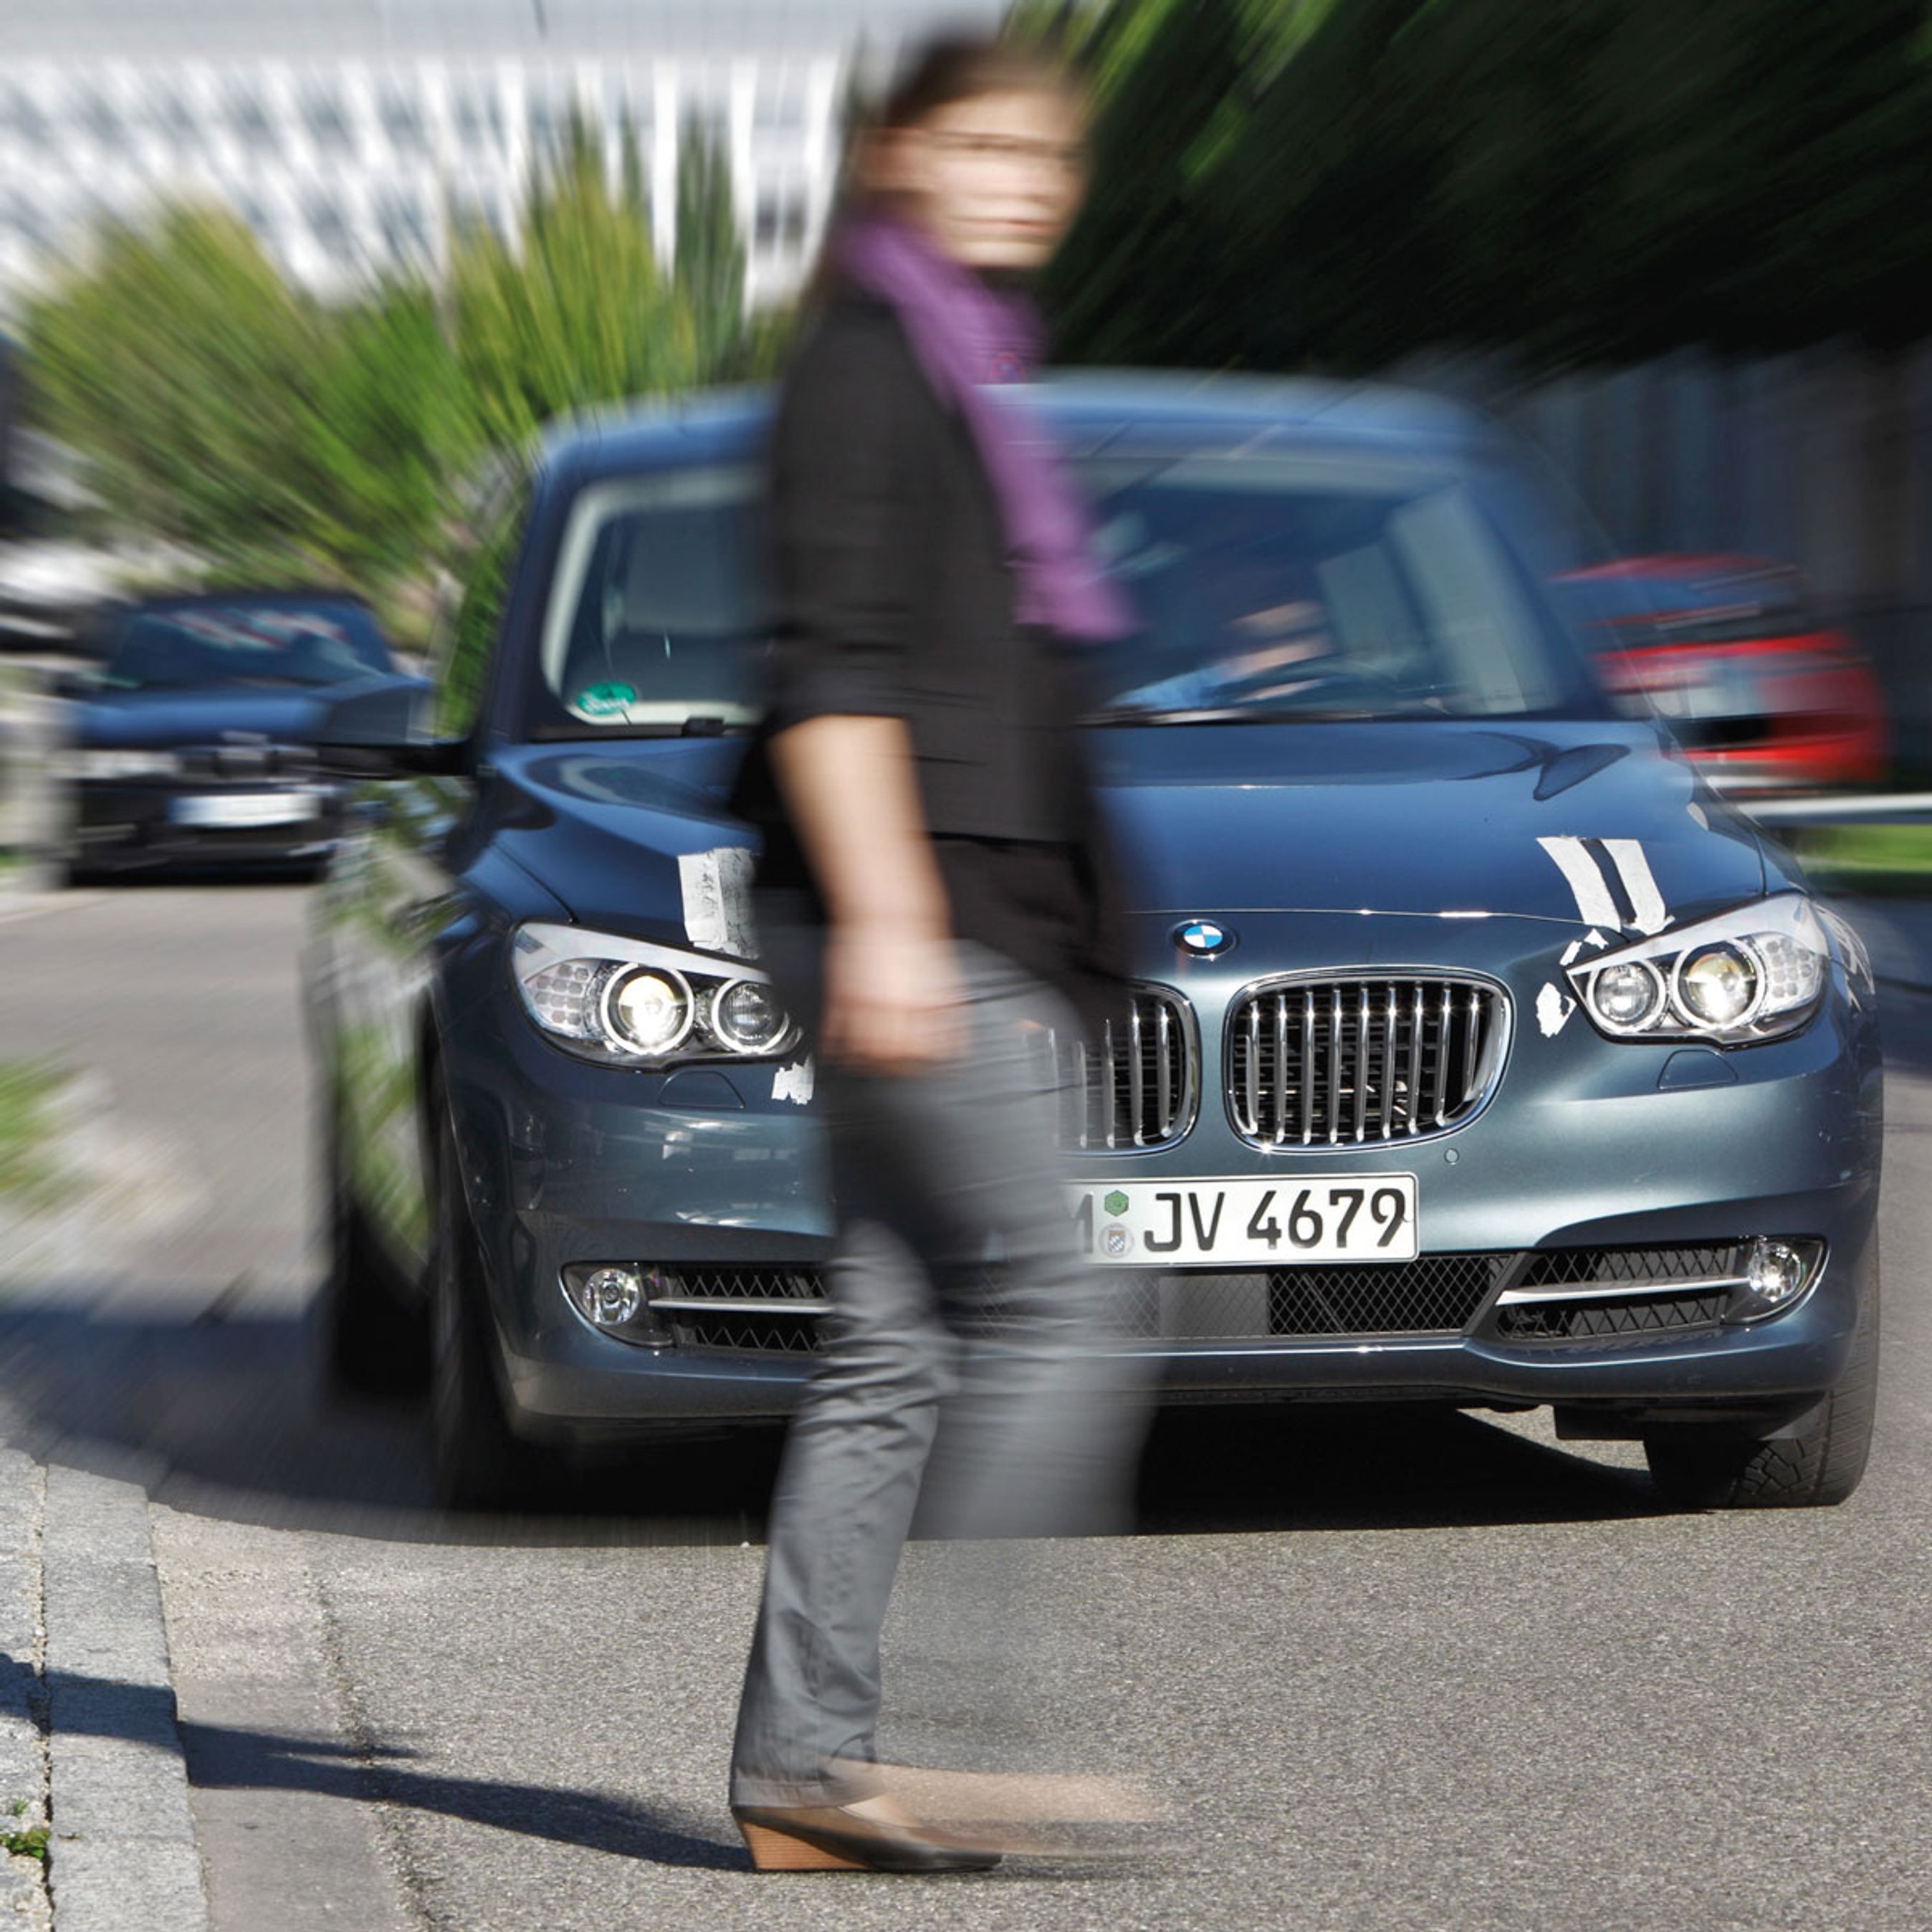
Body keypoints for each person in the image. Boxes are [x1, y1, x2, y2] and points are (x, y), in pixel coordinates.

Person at [725, 32, 1149, 1875]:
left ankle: (807, 1768)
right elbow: (827, 665)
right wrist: (890, 917)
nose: (1018, 180)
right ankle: (965, 1738)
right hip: (924, 914)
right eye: (976, 144)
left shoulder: (954, 365)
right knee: (1067, 1308)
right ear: (893, 155)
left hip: (961, 909)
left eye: (1042, 153)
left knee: (891, 1350)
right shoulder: (867, 365)